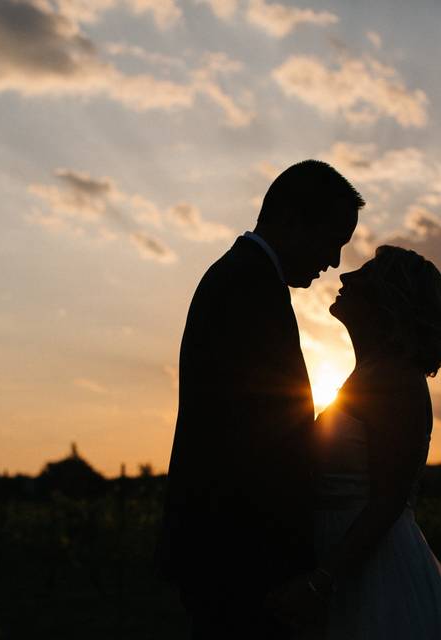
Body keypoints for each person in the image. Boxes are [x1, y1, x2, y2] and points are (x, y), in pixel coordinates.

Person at [156, 160, 363, 639]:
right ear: (290, 218)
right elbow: (256, 434)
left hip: (230, 546)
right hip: (237, 550)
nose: (333, 261)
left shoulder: (247, 279)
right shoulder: (245, 285)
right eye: (331, 240)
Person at [268, 245, 441, 639]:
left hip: (373, 573)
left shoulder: (398, 382)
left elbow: (389, 500)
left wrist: (322, 581)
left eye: (367, 273)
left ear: (390, 302)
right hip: (344, 561)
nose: (345, 277)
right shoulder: (369, 375)